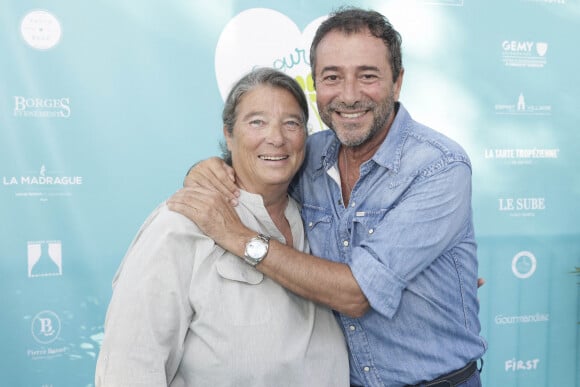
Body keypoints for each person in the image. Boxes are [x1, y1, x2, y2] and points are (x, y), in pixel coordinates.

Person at [169, 7, 488, 387]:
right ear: (316, 83)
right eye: (332, 77)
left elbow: (356, 293)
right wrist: (207, 169)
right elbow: (253, 169)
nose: (349, 96)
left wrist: (239, 239)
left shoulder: (439, 166)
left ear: (397, 82)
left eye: (367, 76)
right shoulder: (308, 155)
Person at [95, 68, 349, 387]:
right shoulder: (181, 224)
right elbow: (129, 368)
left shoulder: (316, 216)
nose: (276, 137)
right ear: (228, 134)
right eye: (256, 122)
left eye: (292, 123)